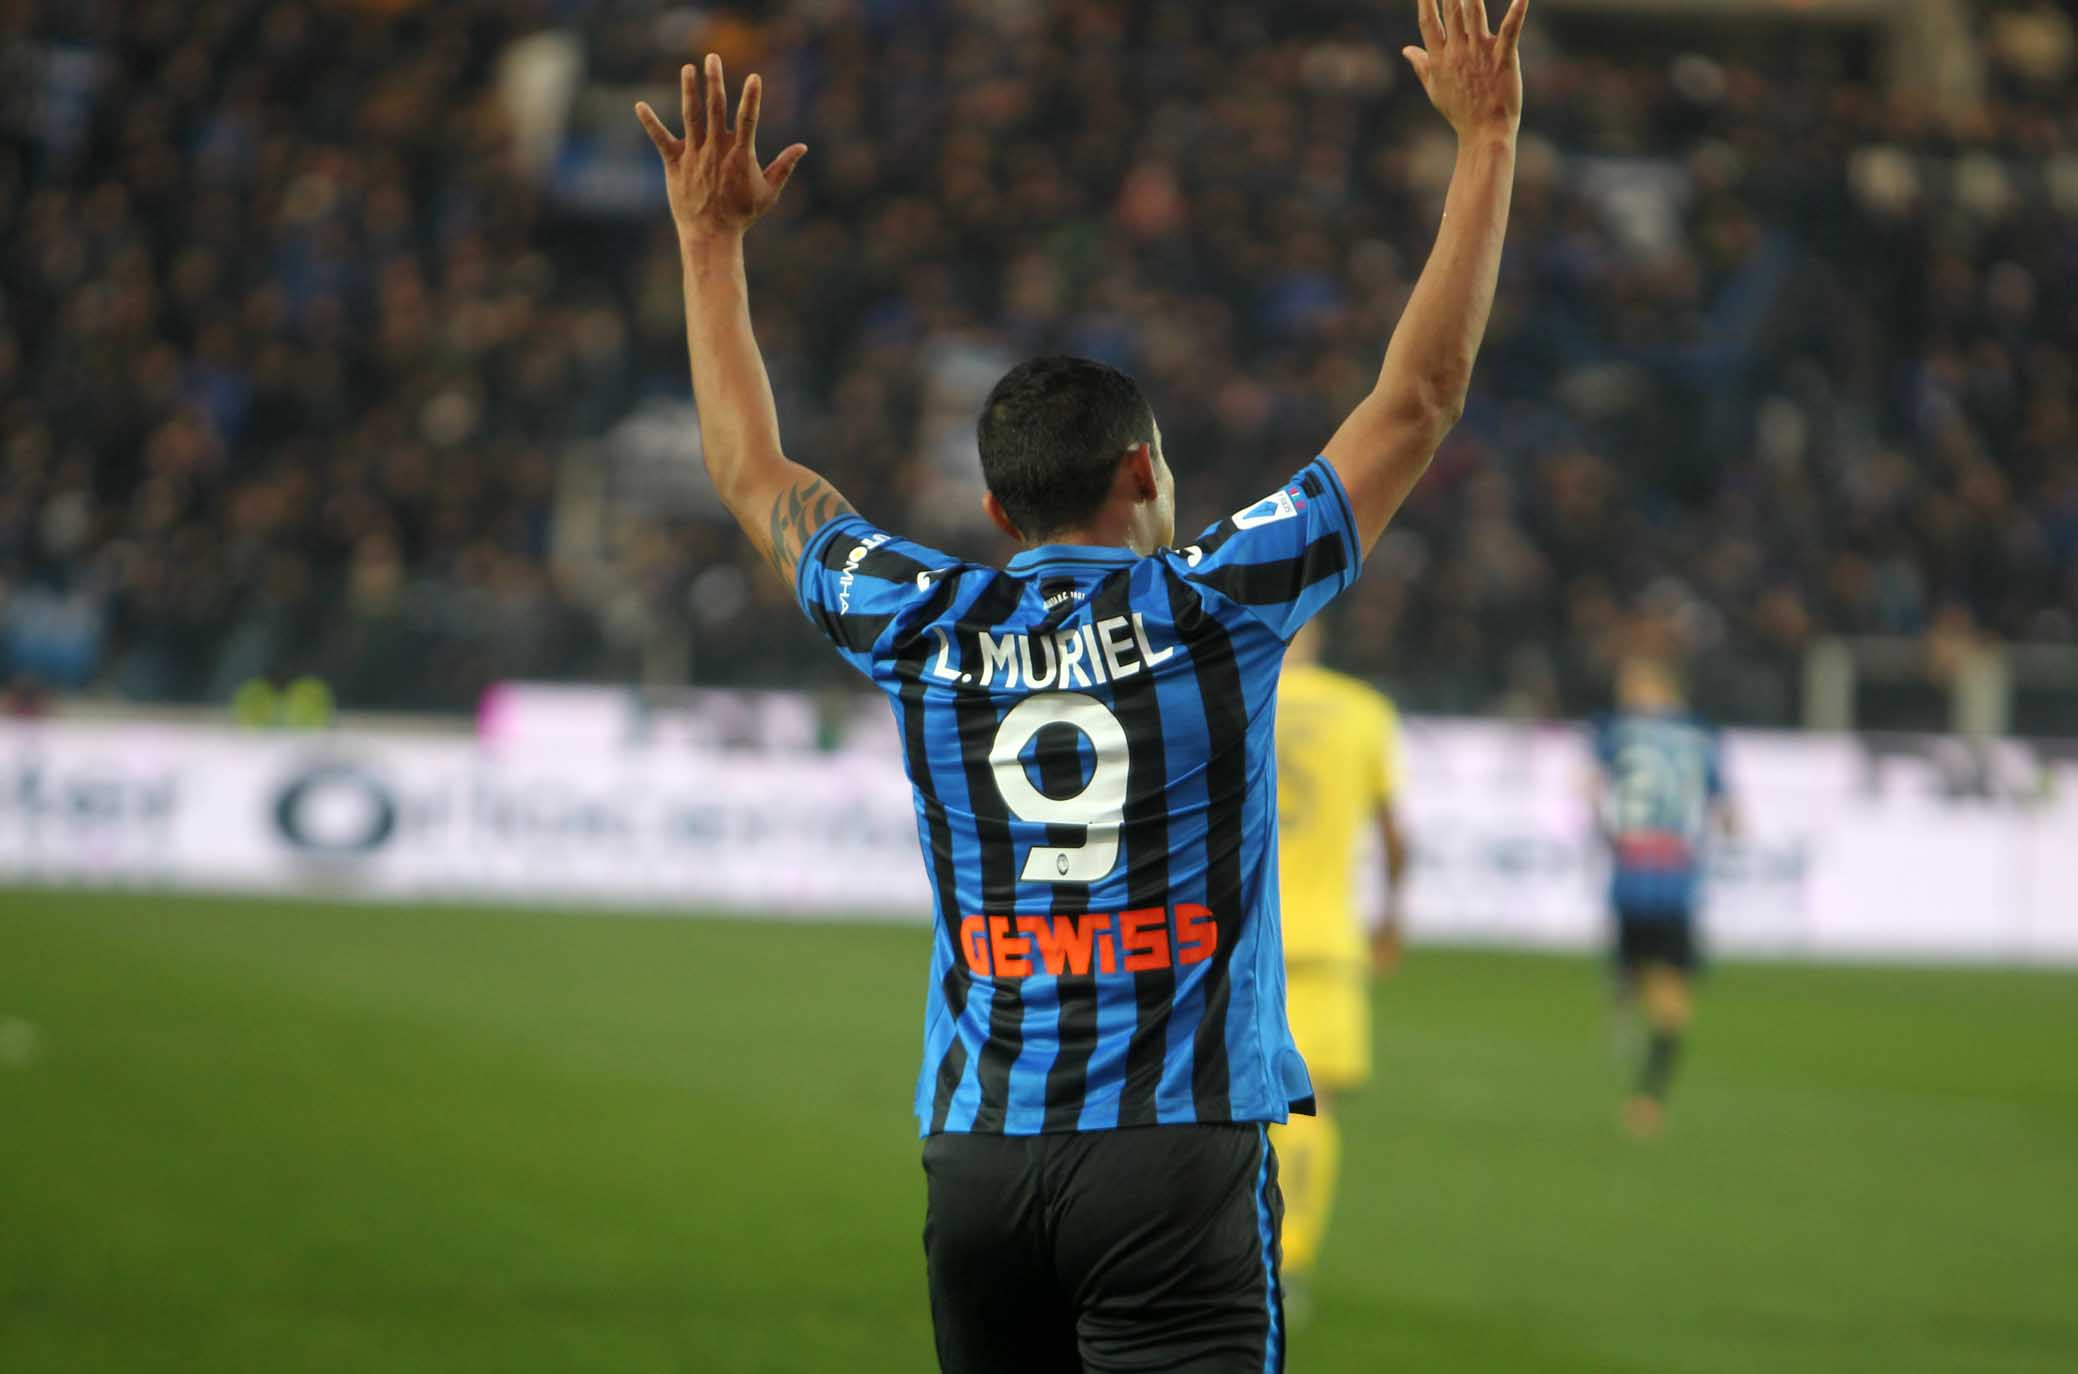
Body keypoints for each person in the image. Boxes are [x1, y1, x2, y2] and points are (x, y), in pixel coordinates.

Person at [633, 2, 1529, 1367]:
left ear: (999, 509)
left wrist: (707, 243)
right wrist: (1486, 140)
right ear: (1140, 472)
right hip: (1170, 1154)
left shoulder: (921, 620)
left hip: (981, 1160)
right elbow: (1417, 398)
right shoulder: (1217, 603)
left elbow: (749, 470)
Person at [1270, 621, 1411, 1312]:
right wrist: (1392, 917)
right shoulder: (1364, 711)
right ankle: (1288, 1258)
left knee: (1223, 1107)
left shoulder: (1233, 693)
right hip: (1326, 941)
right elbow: (1395, 838)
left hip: (1235, 938)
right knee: (1310, 1107)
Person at [1589, 655, 1735, 1141]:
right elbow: (1728, 813)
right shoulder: (1703, 737)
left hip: (1631, 871)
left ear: (1656, 686)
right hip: (1676, 876)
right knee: (1673, 996)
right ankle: (1650, 1095)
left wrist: (1605, 829)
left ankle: (1624, 993)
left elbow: (1591, 790)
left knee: (1645, 977)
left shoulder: (1616, 731)